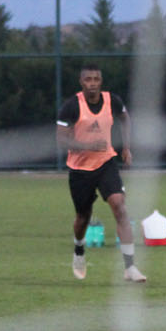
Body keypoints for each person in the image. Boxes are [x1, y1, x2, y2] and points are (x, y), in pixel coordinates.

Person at [56, 63, 145, 283]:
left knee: (120, 206)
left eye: (96, 79)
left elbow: (125, 118)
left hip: (106, 163)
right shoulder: (71, 106)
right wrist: (87, 146)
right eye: (88, 80)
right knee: (82, 217)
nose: (92, 84)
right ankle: (79, 249)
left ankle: (130, 268)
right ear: (81, 82)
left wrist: (126, 147)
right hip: (80, 170)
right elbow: (61, 140)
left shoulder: (112, 100)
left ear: (101, 81)